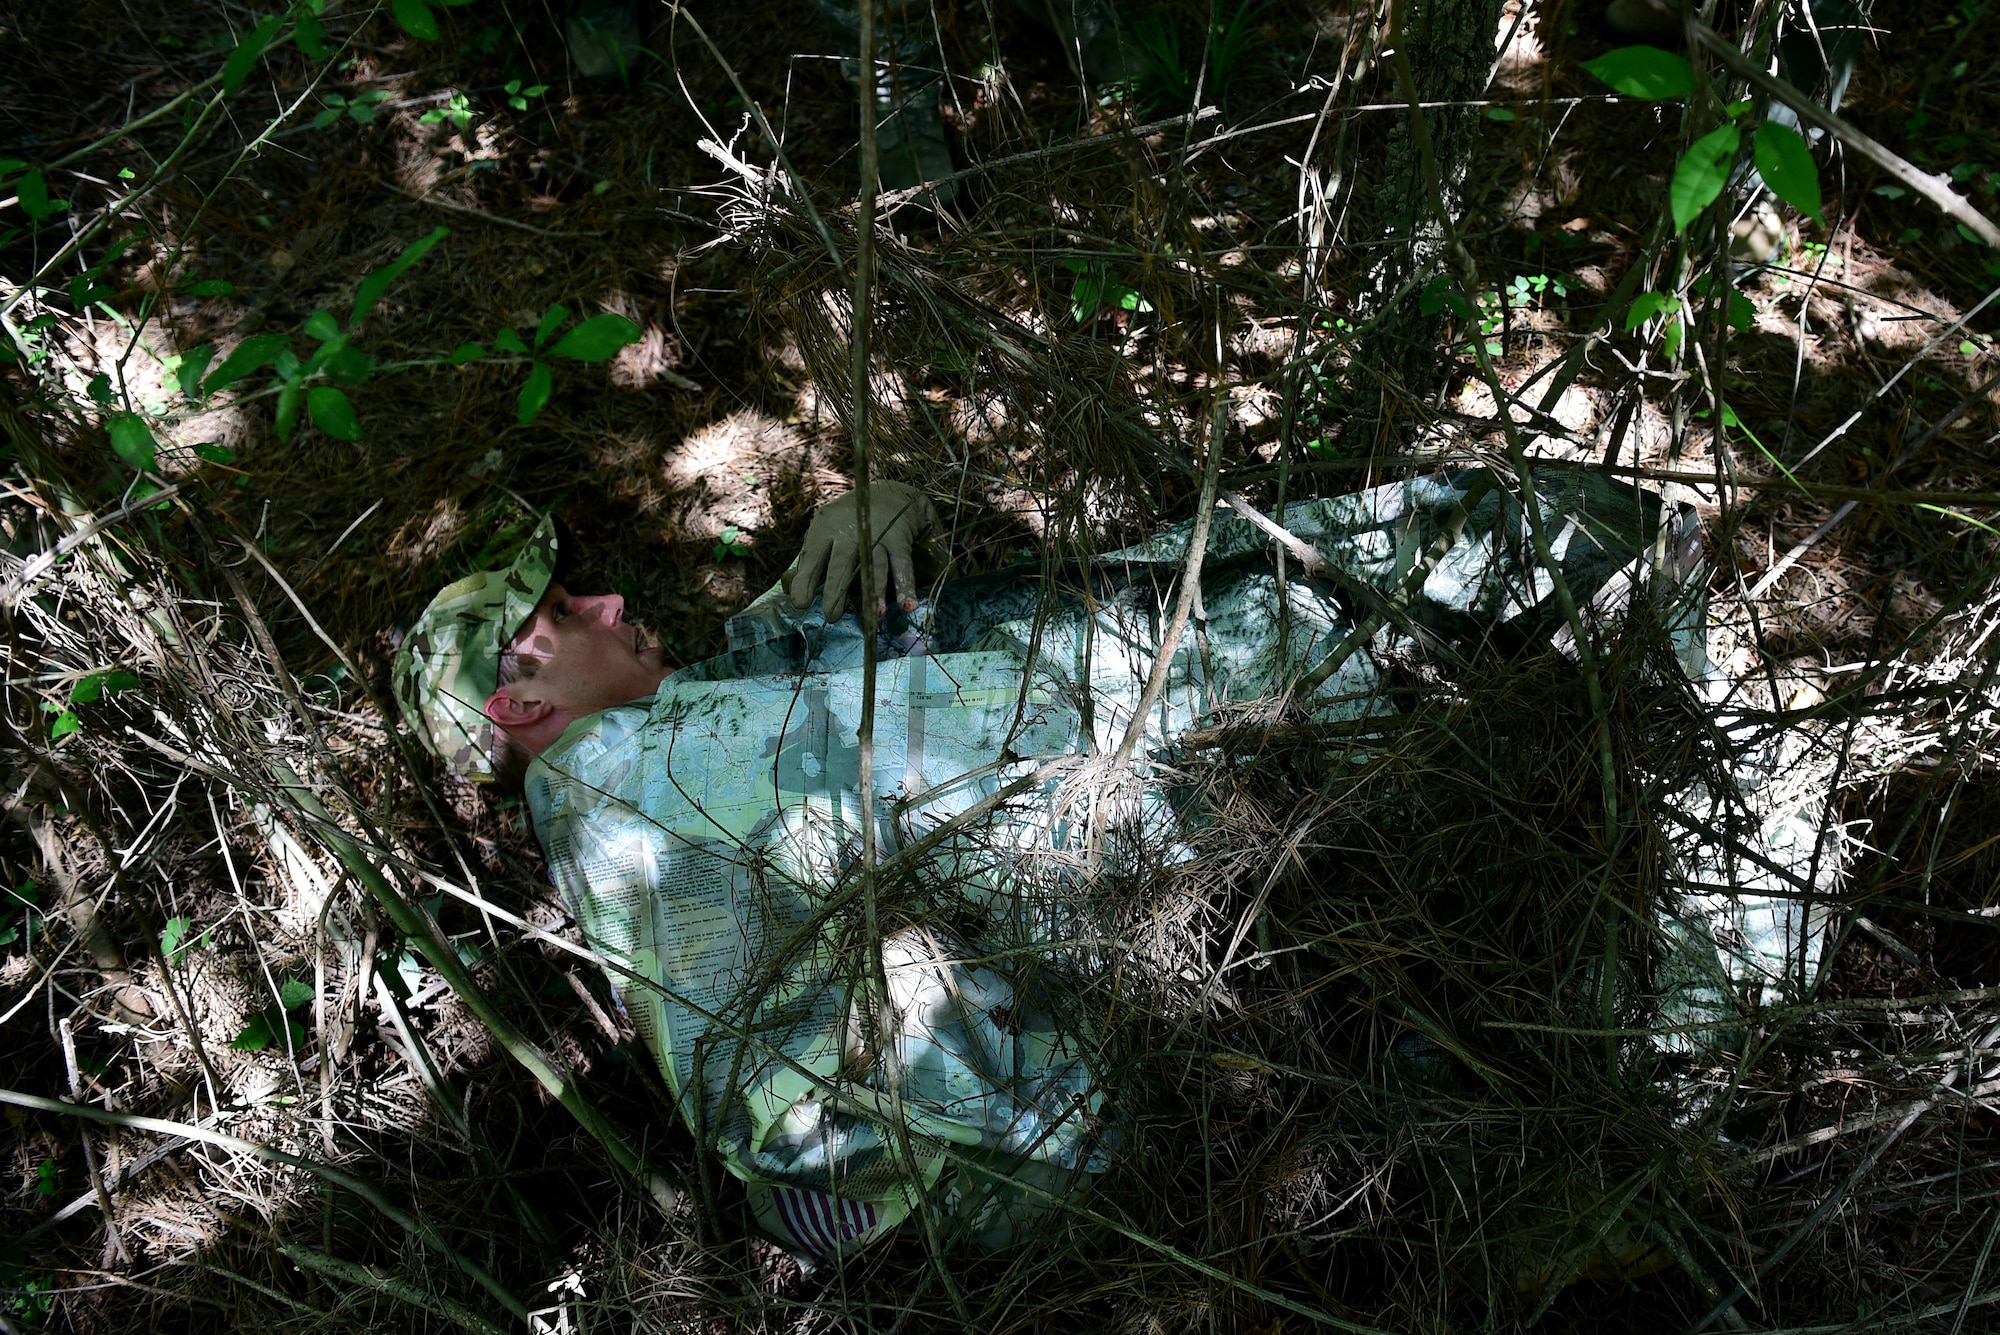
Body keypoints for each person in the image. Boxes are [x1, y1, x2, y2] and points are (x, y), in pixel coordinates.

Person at [392, 469, 1826, 1266]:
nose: (608, 595)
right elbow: (1001, 776)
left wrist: (876, 507)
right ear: (524, 703)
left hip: (998, 1147)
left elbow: (810, 763)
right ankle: (1712, 1030)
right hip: (1063, 1091)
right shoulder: (624, 774)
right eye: (563, 612)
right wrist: (1303, 694)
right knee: (1562, 543)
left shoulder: (629, 799)